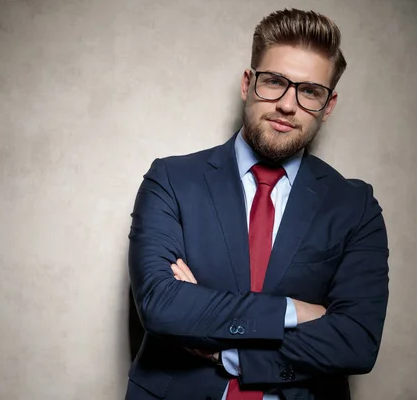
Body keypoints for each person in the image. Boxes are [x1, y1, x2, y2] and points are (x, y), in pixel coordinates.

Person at [126, 8, 389, 400]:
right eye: (275, 82)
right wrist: (295, 311)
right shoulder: (172, 180)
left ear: (328, 105)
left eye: (310, 91)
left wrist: (228, 353)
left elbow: (357, 341)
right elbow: (161, 305)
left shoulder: (356, 206)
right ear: (248, 83)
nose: (287, 104)